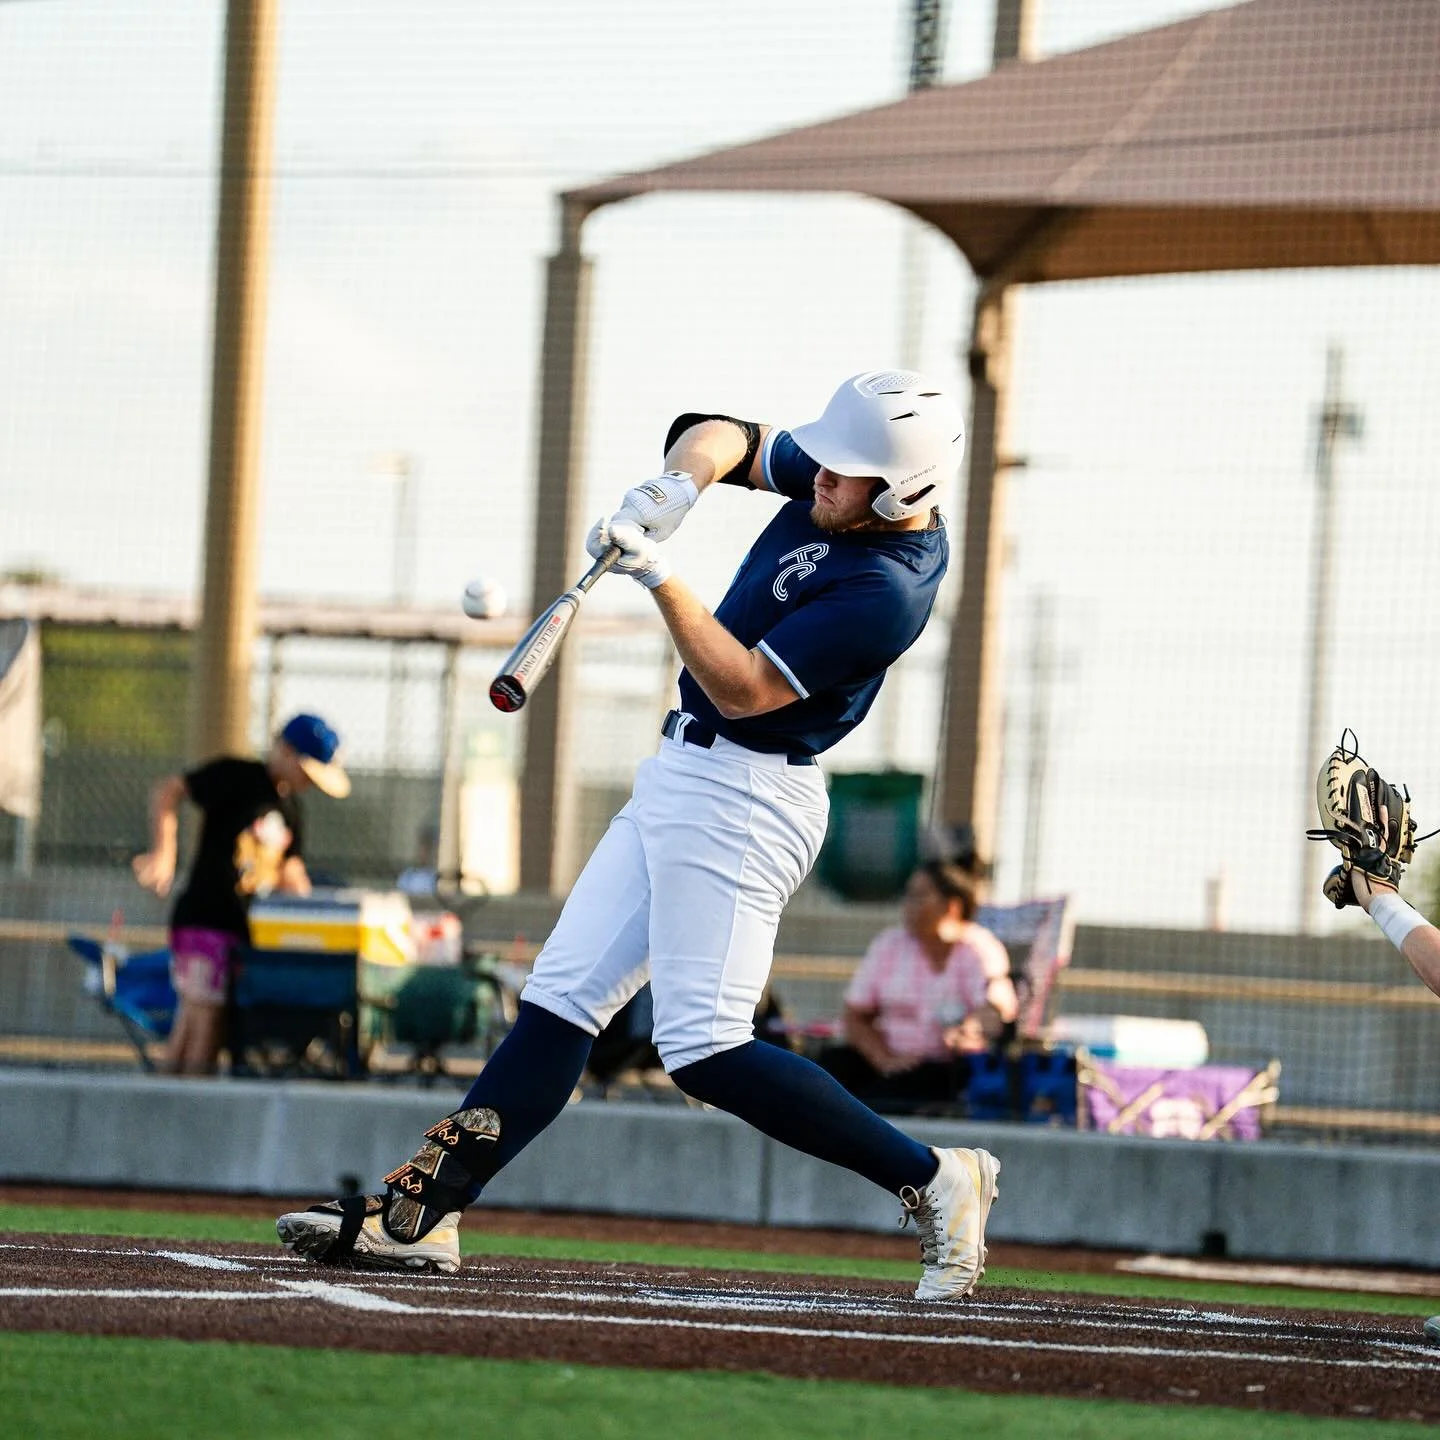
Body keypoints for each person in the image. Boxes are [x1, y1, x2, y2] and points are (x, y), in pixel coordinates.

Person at [277, 368, 1001, 1302]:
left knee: (705, 1046)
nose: (820, 475)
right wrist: (677, 488)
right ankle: (425, 1213)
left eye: (846, 473)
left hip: (750, 792)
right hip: (686, 773)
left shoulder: (887, 587)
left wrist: (658, 574)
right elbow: (718, 430)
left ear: (904, 490)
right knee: (561, 997)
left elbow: (743, 686)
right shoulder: (844, 491)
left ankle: (937, 1179)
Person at [132, 713, 351, 1075]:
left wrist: (316, 911)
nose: (308, 784)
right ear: (285, 750)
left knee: (204, 1023)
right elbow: (168, 790)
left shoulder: (291, 810)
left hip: (241, 932)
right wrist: (164, 852)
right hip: (204, 918)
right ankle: (187, 1103)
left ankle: (166, 1100)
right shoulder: (237, 776)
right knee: (204, 1016)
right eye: (306, 771)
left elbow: (290, 869)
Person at [818, 860, 1017, 1113]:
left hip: (944, 1067)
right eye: (908, 896)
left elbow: (994, 1008)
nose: (908, 906)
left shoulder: (978, 948)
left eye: (919, 897)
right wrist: (885, 1060)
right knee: (826, 1072)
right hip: (887, 1062)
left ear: (951, 906)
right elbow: (855, 1016)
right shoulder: (890, 945)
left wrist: (969, 1030)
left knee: (882, 1100)